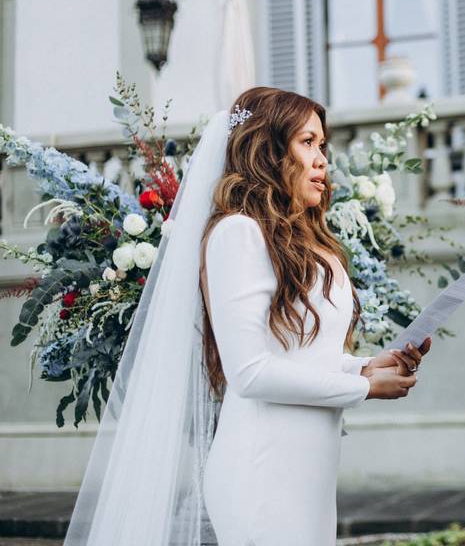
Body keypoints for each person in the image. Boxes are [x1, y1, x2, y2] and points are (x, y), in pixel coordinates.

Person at [63, 88, 428, 546]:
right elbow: (250, 371)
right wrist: (363, 388)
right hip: (263, 470)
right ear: (270, 150)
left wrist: (364, 366)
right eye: (307, 143)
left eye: (323, 146)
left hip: (307, 471)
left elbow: (300, 354)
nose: (322, 161)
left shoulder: (305, 243)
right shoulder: (238, 234)